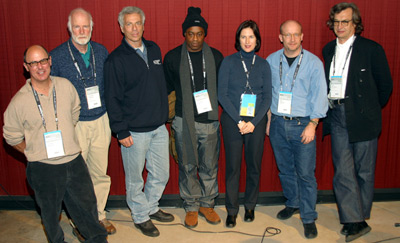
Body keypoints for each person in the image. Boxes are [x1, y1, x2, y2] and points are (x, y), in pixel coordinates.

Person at [3, 45, 108, 243]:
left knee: (87, 208)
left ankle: (97, 239)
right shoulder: (19, 101)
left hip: (74, 162)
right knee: (51, 215)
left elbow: (75, 111)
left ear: (50, 61)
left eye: (43, 60)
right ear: (26, 66)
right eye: (33, 63)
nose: (40, 66)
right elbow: (11, 136)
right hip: (43, 168)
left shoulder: (65, 86)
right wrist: (32, 152)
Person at [322, 2, 393, 242]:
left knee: (364, 170)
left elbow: (386, 86)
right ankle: (353, 220)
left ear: (356, 24)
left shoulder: (371, 49)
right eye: (336, 22)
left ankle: (359, 217)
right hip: (338, 114)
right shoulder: (327, 49)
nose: (340, 26)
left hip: (364, 116)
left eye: (345, 21)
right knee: (343, 170)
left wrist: (370, 109)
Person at [104, 6, 174, 237]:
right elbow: (112, 98)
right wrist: (120, 130)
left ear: (143, 25)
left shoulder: (154, 49)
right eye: (129, 24)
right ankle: (140, 216)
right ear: (122, 27)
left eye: (138, 23)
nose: (134, 28)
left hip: (158, 127)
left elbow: (159, 86)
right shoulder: (115, 59)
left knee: (161, 173)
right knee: (135, 179)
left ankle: (151, 207)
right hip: (133, 132)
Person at [50, 8, 115, 235]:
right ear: (69, 28)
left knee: (99, 173)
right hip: (74, 123)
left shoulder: (101, 51)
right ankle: (80, 221)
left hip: (101, 120)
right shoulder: (56, 56)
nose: (81, 31)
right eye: (77, 26)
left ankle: (99, 215)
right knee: (77, 177)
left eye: (85, 26)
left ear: (92, 28)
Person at [266, 20, 328, 239]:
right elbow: (268, 92)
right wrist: (268, 119)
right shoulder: (272, 60)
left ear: (302, 36)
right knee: (285, 169)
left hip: (304, 125)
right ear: (280, 37)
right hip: (277, 124)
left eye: (296, 35)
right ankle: (292, 202)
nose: (292, 39)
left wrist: (313, 123)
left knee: (305, 174)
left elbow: (320, 95)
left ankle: (309, 217)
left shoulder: (313, 63)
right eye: (287, 35)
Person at [163, 6, 224, 229]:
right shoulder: (171, 58)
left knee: (209, 165)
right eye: (191, 33)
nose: (195, 38)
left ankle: (207, 203)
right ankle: (191, 205)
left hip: (209, 121)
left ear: (204, 34)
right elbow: (167, 90)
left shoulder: (216, 57)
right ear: (184, 34)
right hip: (182, 121)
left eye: (199, 33)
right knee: (187, 165)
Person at [218, 20, 272, 228]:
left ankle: (250, 205)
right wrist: (239, 121)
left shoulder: (263, 64)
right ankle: (232, 210)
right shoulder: (229, 62)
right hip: (232, 121)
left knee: (254, 166)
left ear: (257, 40)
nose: (247, 41)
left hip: (256, 123)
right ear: (238, 39)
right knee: (232, 167)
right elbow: (222, 94)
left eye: (251, 37)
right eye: (243, 37)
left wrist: (254, 122)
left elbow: (267, 97)